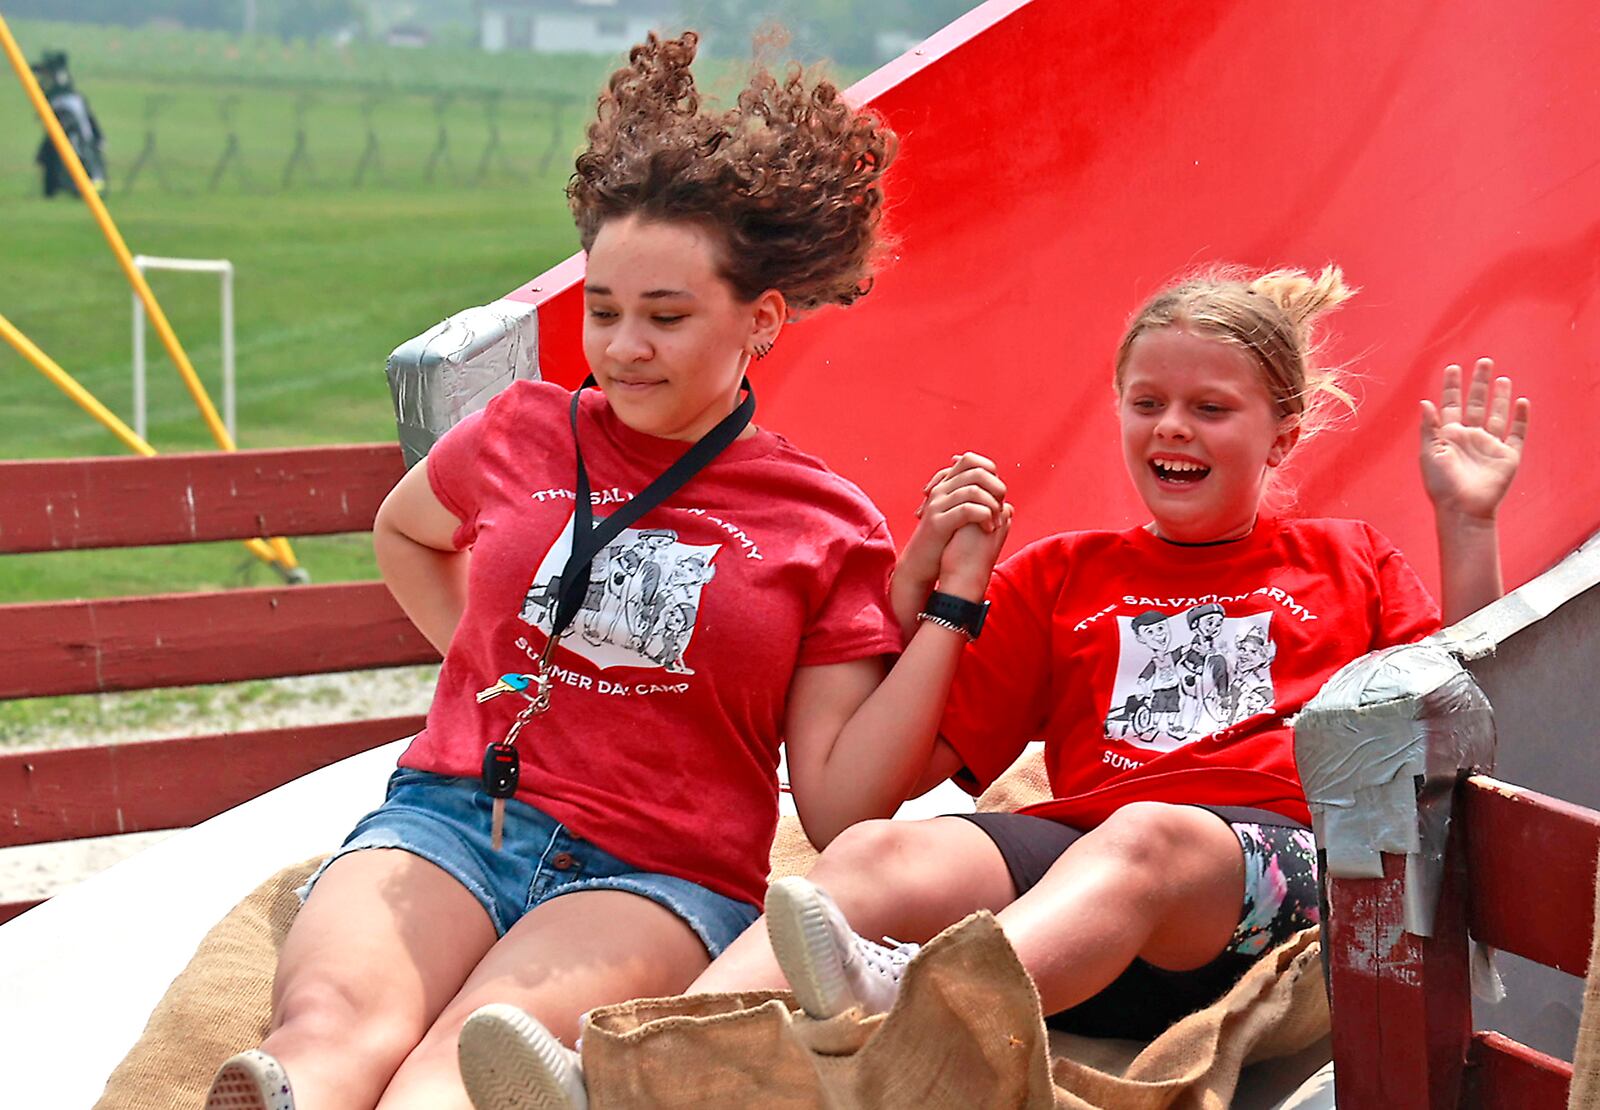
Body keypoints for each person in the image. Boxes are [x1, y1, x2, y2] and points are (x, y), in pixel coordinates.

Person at [455, 265, 1529, 1108]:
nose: (1170, 428)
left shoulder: (1347, 562)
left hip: (1258, 886)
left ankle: (912, 1006)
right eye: (1146, 401)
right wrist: (925, 587)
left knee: (1151, 837)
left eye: (1211, 409)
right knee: (873, 854)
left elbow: (1461, 716)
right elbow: (895, 770)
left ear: (1281, 434)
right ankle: (623, 1073)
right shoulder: (1062, 575)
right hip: (1077, 891)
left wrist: (1467, 525)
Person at [203, 30, 954, 1110]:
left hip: (653, 873)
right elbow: (407, 531)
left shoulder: (822, 521)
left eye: (665, 316)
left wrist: (949, 613)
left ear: (763, 319)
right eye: (602, 309)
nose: (622, 347)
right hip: (450, 815)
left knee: (464, 1064)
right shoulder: (518, 430)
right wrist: (494, 670)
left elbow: (835, 800)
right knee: (320, 1036)